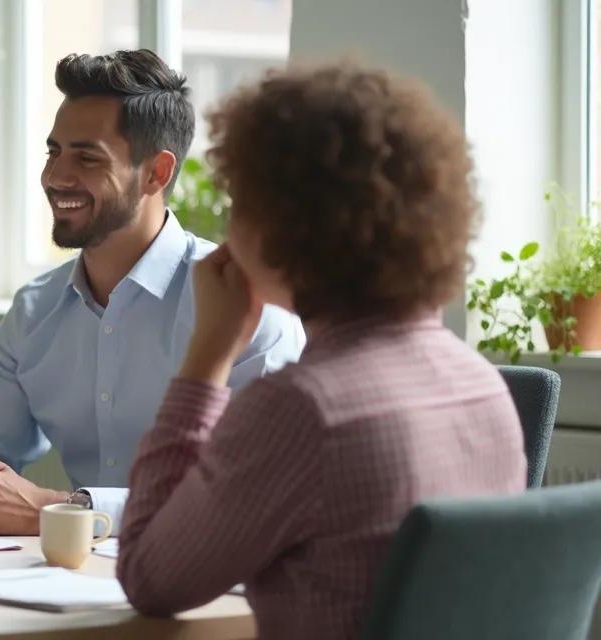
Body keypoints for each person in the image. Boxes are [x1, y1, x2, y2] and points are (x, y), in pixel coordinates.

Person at [115, 61, 526, 639]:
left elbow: (150, 578)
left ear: (282, 228)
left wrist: (208, 355)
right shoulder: (484, 386)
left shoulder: (303, 410)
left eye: (240, 205)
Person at [0, 50, 304, 535]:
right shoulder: (36, 309)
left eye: (86, 158)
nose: (55, 177)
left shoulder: (245, 306)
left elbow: (254, 490)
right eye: (54, 153)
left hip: (211, 573)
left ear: (156, 173)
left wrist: (64, 509)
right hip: (69, 574)